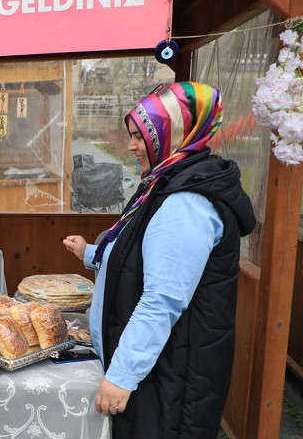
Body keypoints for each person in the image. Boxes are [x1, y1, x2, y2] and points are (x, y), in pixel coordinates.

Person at [62, 82, 255, 438]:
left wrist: (121, 375)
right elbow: (141, 256)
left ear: (173, 134)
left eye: (140, 136)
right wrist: (90, 253)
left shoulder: (186, 203)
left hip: (171, 376)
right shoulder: (163, 183)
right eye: (131, 135)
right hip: (159, 368)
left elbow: (162, 298)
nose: (132, 145)